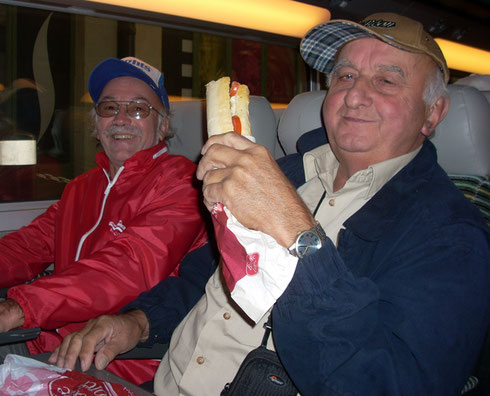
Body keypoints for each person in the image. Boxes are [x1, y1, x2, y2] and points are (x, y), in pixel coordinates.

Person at [50, 14, 490, 395]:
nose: (355, 95)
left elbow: (387, 383)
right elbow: (206, 274)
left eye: (387, 81)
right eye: (345, 76)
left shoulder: (454, 236)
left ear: (433, 113)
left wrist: (297, 232)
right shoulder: (286, 172)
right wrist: (139, 322)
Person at [0, 57, 208, 384]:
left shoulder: (183, 183)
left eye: (138, 109)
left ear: (163, 125)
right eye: (109, 108)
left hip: (123, 363)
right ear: (96, 125)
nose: (120, 118)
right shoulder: (82, 188)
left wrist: (21, 307)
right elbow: (28, 245)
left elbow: (128, 267)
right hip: (51, 348)